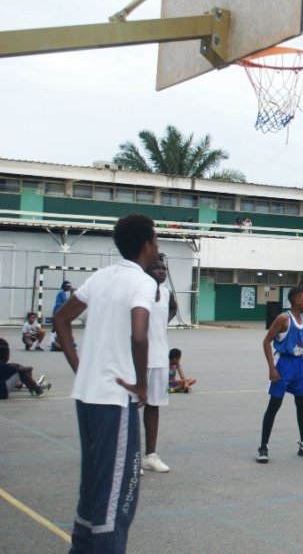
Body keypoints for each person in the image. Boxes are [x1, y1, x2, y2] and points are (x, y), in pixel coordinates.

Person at [53, 213, 159, 553]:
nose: (158, 247)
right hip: (115, 399)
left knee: (93, 486)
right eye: (156, 240)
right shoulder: (142, 282)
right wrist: (142, 385)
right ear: (146, 245)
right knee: (118, 493)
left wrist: (80, 367)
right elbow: (139, 333)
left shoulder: (101, 278)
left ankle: (81, 547)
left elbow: (62, 319)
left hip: (87, 396)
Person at [257, 286, 303, 463]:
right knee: (274, 406)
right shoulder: (283, 318)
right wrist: (271, 368)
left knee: (302, 404)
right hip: (283, 364)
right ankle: (263, 447)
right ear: (297, 300)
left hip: (299, 364)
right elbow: (266, 342)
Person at [141, 255, 178, 474]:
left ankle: (150, 455)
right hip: (137, 358)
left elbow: (173, 307)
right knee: (130, 407)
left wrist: (162, 322)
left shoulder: (165, 294)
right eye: (156, 268)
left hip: (159, 358)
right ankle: (130, 455)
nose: (162, 271)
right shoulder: (138, 292)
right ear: (146, 270)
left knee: (153, 406)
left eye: (163, 268)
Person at [49, 280, 74, 351]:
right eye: (68, 286)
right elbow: (68, 302)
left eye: (70, 287)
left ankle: (54, 340)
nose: (69, 288)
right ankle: (51, 341)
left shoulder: (63, 293)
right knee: (56, 326)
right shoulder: (61, 292)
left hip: (60, 311)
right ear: (64, 286)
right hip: (58, 311)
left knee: (57, 326)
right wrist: (72, 293)